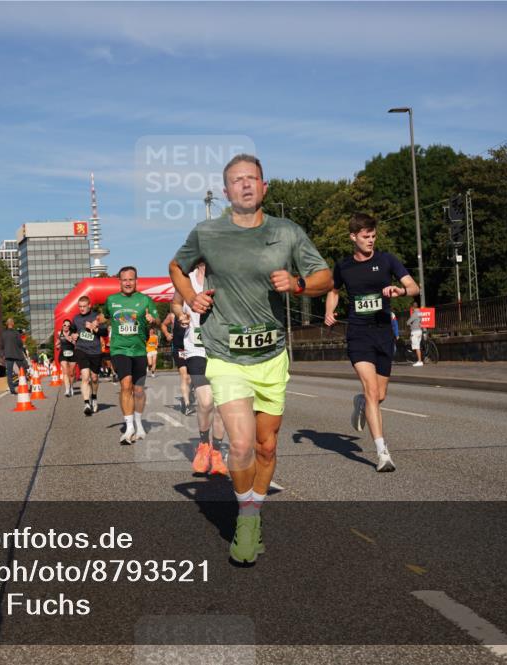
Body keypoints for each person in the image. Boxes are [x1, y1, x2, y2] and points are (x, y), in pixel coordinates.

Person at [170, 153, 333, 565]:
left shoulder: (288, 232)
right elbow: (176, 265)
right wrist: (192, 298)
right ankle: (245, 517)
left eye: (252, 179)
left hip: (271, 354)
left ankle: (254, 509)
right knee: (240, 444)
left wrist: (297, 284)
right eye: (237, 180)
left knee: (266, 446)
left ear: (264, 187)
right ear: (226, 192)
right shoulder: (208, 232)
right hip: (225, 353)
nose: (245, 185)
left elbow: (324, 278)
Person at [324, 212, 420, 473]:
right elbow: (333, 291)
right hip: (358, 333)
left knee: (379, 395)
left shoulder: (387, 260)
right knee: (370, 389)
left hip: (383, 333)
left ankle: (361, 403)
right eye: (366, 237)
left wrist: (400, 290)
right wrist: (329, 311)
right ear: (353, 237)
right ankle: (382, 452)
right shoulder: (344, 266)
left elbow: (414, 287)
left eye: (373, 236)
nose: (371, 241)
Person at [174, 260, 228, 476]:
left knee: (222, 405)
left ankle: (216, 452)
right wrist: (180, 316)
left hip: (222, 350)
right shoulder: (187, 280)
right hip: (196, 349)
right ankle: (204, 444)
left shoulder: (225, 276)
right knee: (206, 401)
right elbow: (176, 303)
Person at [106, 266, 158, 444]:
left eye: (131, 279)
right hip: (119, 349)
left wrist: (153, 320)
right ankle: (128, 428)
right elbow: (105, 316)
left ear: (136, 280)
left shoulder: (145, 300)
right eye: (124, 280)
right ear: (119, 282)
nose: (128, 283)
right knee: (126, 385)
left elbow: (158, 320)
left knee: (139, 390)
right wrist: (95, 323)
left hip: (139, 350)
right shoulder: (111, 300)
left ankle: (138, 422)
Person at [71, 296, 108, 415]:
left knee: (95, 378)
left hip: (95, 351)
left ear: (89, 305)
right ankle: (86, 403)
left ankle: (94, 397)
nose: (81, 309)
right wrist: (74, 335)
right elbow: (73, 330)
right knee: (85, 377)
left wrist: (94, 328)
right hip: (81, 349)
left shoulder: (96, 316)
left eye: (83, 306)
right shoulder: (76, 319)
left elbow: (105, 332)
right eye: (79, 306)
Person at [162, 310, 192, 414]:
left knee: (192, 378)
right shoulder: (172, 316)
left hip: (193, 349)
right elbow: (163, 325)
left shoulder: (194, 313)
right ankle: (187, 404)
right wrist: (167, 334)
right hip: (179, 349)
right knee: (185, 376)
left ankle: (186, 397)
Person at [1, 318, 27, 394]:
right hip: (17, 354)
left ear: (7, 324)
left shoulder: (3, 333)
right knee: (22, 370)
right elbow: (20, 344)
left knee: (9, 373)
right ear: (12, 324)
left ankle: (12, 389)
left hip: (8, 355)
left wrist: (3, 354)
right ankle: (23, 386)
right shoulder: (16, 333)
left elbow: (2, 345)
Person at [58, 320, 78, 397]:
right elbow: (58, 342)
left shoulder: (73, 334)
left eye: (68, 326)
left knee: (72, 373)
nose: (66, 327)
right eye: (64, 325)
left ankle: (71, 386)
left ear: (70, 327)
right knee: (65, 372)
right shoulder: (59, 333)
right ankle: (67, 389)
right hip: (63, 354)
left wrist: (68, 337)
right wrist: (58, 345)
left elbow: (75, 343)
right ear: (62, 326)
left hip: (72, 353)